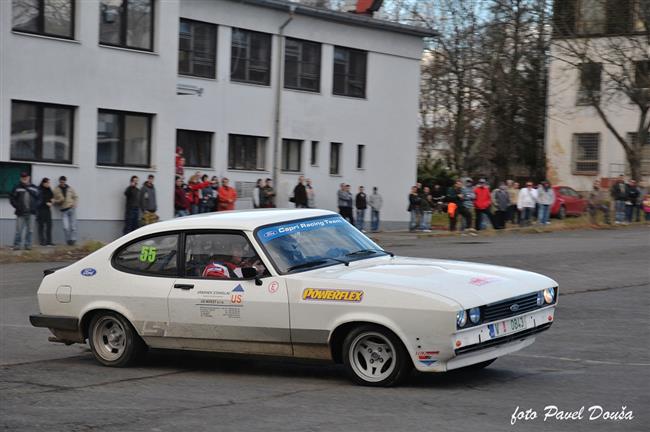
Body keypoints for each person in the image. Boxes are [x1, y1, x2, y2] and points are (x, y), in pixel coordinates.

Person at [9, 172, 40, 250]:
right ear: (20, 178)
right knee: (18, 230)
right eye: (23, 177)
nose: (24, 178)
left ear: (29, 177)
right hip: (20, 213)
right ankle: (17, 245)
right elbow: (12, 199)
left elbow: (40, 198)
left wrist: (35, 207)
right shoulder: (17, 187)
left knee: (30, 230)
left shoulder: (34, 187)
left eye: (25, 177)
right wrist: (17, 207)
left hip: (32, 213)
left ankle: (28, 245)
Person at [52, 176, 78, 246]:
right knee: (65, 227)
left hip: (71, 209)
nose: (62, 183)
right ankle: (68, 240)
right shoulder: (56, 190)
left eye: (63, 182)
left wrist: (74, 204)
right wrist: (58, 201)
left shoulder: (70, 188)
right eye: (61, 182)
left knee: (73, 227)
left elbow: (75, 197)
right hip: (64, 211)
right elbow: (53, 200)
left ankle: (73, 240)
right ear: (59, 181)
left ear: (65, 181)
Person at [37, 178, 54, 246]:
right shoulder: (39, 189)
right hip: (41, 209)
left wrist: (52, 201)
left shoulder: (49, 189)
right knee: (41, 226)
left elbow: (51, 196)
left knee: (49, 225)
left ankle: (49, 241)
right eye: (48, 183)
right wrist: (45, 203)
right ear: (44, 183)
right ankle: (42, 241)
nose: (49, 184)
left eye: (49, 183)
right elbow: (39, 199)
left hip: (47, 209)